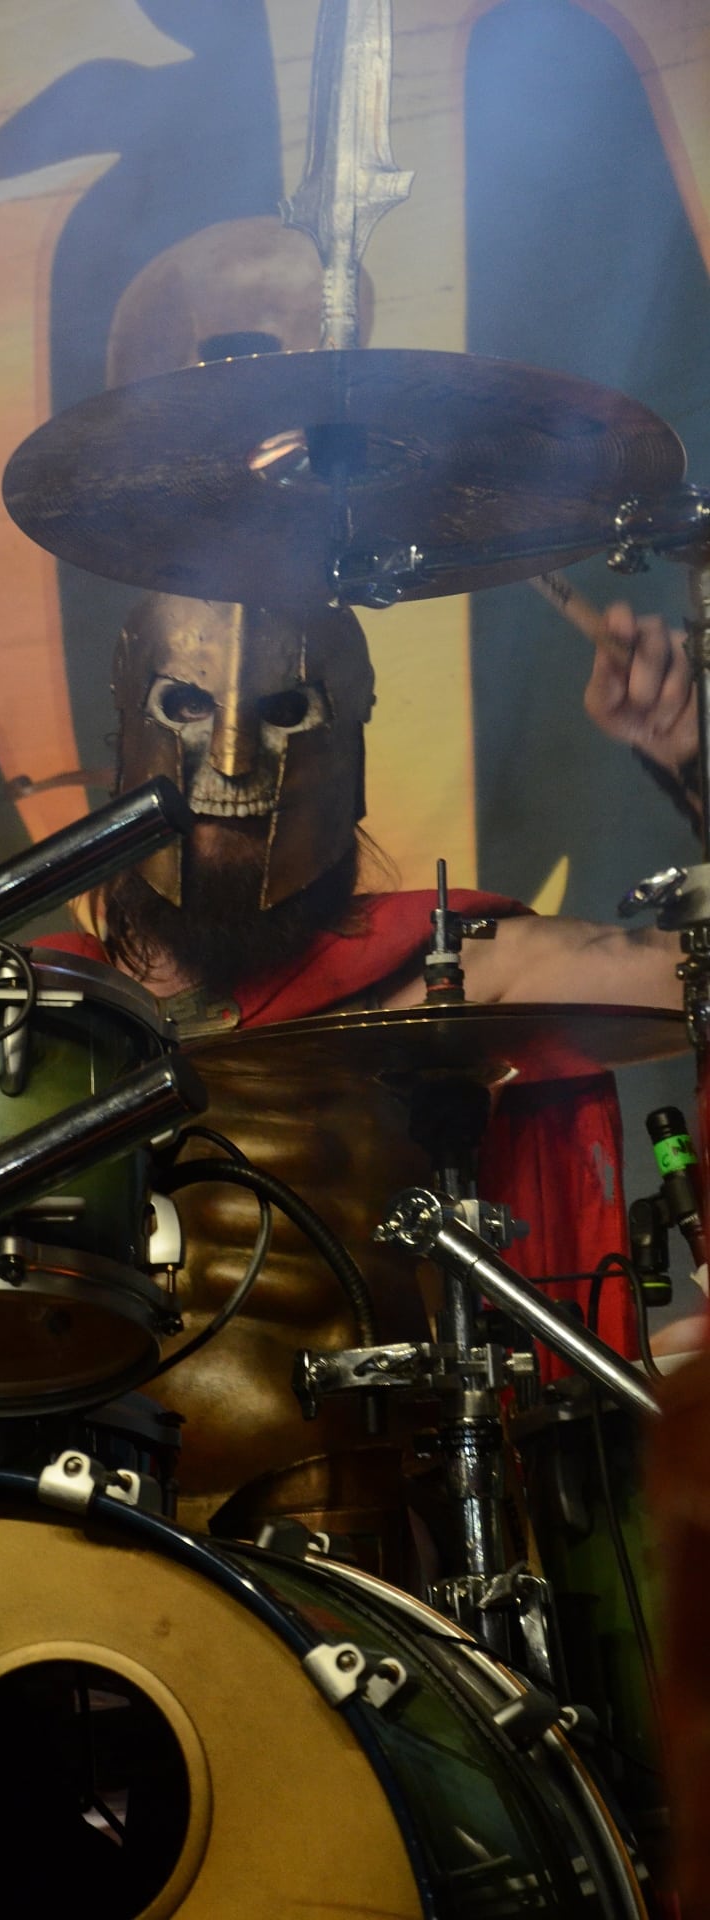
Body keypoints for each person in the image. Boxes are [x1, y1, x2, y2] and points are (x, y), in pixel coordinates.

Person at [40, 589, 697, 1552]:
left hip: (366, 1557)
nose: (233, 757)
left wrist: (692, 763)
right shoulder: (39, 1019)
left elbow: (697, 976)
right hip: (73, 1545)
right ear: (126, 741)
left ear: (345, 759)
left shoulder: (438, 971)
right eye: (185, 706)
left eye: (286, 713)